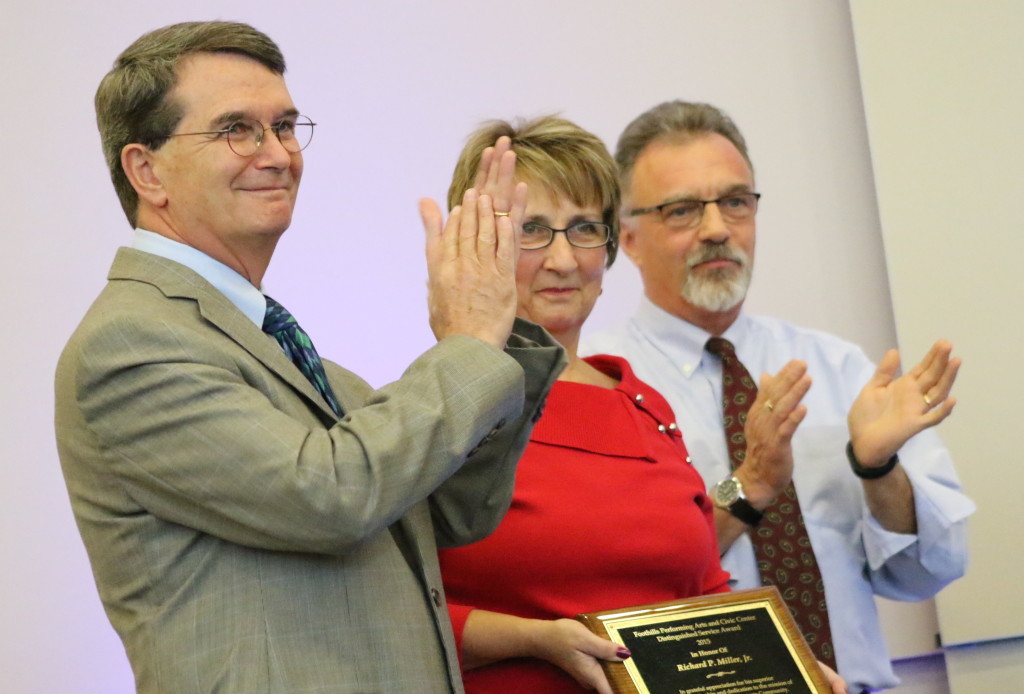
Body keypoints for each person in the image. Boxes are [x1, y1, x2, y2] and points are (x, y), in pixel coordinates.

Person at [54, 21, 565, 694]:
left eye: (286, 126)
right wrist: (467, 345)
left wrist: (504, 327)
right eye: (237, 129)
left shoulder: (269, 343)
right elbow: (333, 496)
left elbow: (446, 512)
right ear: (146, 170)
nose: (277, 153)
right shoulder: (132, 344)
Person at [436, 116, 846, 694]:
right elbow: (389, 609)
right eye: (531, 230)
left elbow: (704, 590)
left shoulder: (640, 401)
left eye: (583, 229)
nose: (563, 259)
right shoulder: (440, 403)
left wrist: (790, 670)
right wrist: (533, 639)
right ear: (476, 244)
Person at [583, 100, 976, 692]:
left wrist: (878, 468)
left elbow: (931, 569)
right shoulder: (595, 384)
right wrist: (748, 487)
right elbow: (622, 586)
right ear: (628, 238)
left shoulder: (836, 366)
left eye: (735, 202)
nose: (717, 228)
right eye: (683, 209)